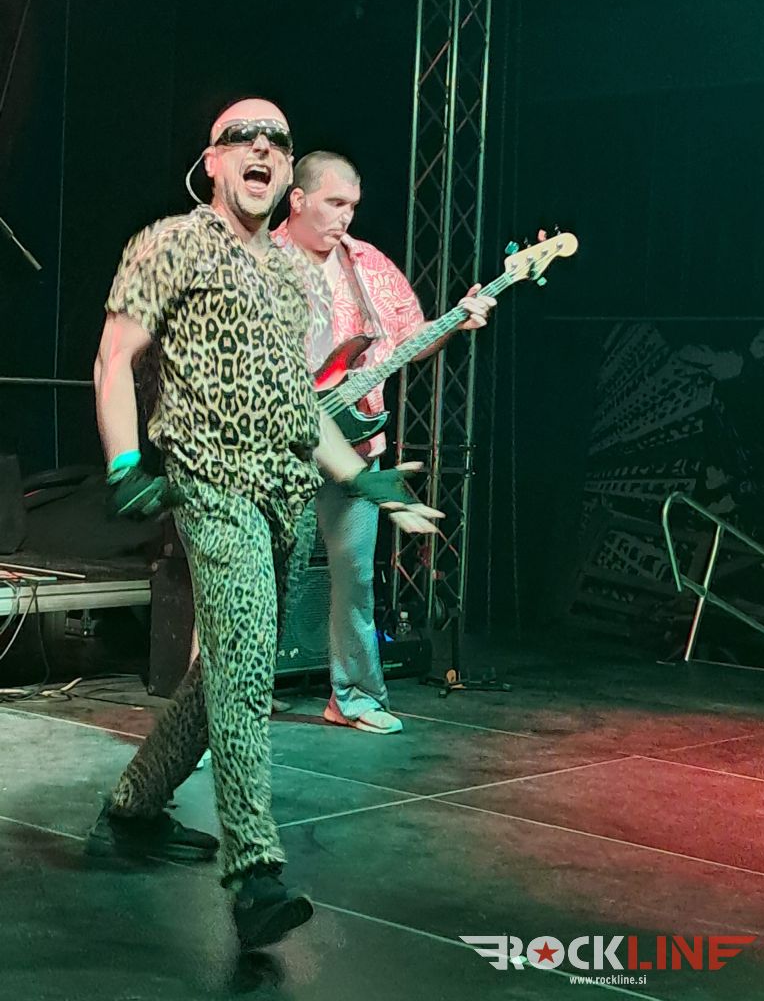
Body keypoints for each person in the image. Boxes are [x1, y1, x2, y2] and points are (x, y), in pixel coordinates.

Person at [86, 98, 443, 952]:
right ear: (212, 161)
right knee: (246, 671)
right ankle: (255, 873)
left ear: (285, 173)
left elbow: (300, 405)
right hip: (211, 483)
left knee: (229, 665)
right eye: (241, 136)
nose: (261, 146)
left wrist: (361, 475)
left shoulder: (289, 275)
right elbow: (113, 357)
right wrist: (126, 463)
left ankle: (134, 805)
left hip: (285, 495)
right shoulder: (170, 243)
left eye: (276, 140)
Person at [272, 151, 495, 733]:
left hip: (358, 447)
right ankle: (229, 698)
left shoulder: (367, 264)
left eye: (352, 205)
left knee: (356, 578)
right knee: (266, 579)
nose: (345, 216)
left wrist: (456, 321)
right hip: (281, 450)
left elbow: (411, 341)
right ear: (298, 200)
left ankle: (353, 697)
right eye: (334, 203)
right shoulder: (262, 260)